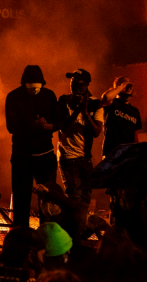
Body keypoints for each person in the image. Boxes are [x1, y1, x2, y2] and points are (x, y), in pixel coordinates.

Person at [5, 65, 61, 227]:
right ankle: (21, 236)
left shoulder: (49, 95)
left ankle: (47, 234)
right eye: (30, 88)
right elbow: (11, 126)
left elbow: (58, 121)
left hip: (45, 155)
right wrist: (33, 125)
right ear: (24, 84)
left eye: (37, 88)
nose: (34, 91)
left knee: (48, 200)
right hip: (22, 156)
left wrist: (49, 126)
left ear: (42, 84)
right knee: (21, 199)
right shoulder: (14, 97)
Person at [57, 69, 103, 212]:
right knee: (74, 198)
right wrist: (78, 110)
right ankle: (71, 232)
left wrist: (85, 113)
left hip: (85, 159)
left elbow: (96, 132)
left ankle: (78, 232)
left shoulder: (95, 103)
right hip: (68, 157)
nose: (73, 83)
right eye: (72, 80)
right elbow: (63, 128)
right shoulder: (63, 100)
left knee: (85, 200)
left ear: (86, 85)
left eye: (78, 81)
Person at [100, 76, 142, 159]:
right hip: (111, 152)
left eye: (130, 83)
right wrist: (122, 86)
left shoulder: (134, 111)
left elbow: (135, 134)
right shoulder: (113, 103)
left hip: (128, 153)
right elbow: (106, 97)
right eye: (124, 83)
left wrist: (136, 152)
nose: (128, 85)